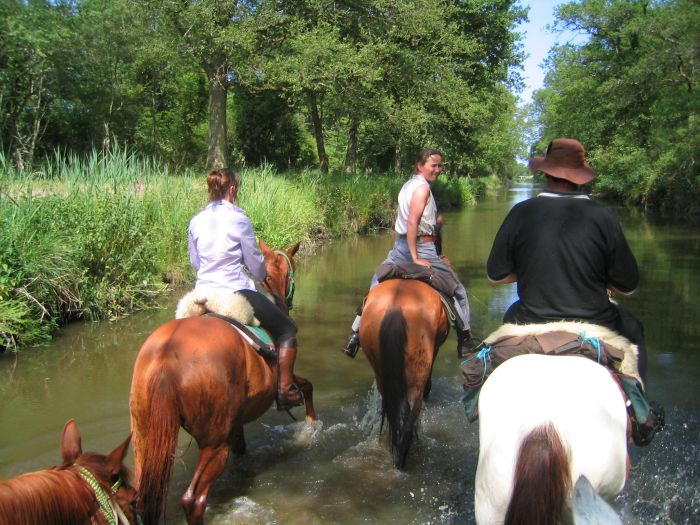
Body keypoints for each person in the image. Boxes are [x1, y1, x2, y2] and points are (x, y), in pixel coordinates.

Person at [486, 137, 664, 445]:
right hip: (596, 321)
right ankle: (641, 415)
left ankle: (478, 399)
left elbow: (496, 275)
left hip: (530, 318)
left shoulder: (521, 212)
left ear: (546, 173)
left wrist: (529, 267)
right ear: (580, 177)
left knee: (500, 332)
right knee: (634, 328)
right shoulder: (602, 216)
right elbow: (629, 285)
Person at [341, 148, 476, 358]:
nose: (438, 170)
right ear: (420, 165)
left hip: (399, 246)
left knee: (377, 280)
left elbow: (412, 219)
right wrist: (415, 256)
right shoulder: (422, 189)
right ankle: (465, 339)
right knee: (458, 290)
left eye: (440, 165)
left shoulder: (407, 186)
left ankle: (355, 333)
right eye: (434, 165)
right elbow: (412, 221)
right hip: (421, 247)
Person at [188, 168, 303, 411]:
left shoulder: (195, 221)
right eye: (236, 189)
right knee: (287, 330)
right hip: (234, 292)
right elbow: (255, 264)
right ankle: (284, 391)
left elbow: (195, 262)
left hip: (202, 294)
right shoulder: (239, 219)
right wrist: (260, 276)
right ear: (232, 190)